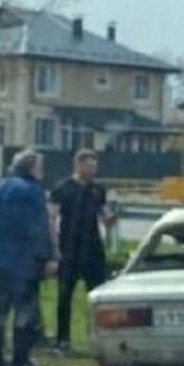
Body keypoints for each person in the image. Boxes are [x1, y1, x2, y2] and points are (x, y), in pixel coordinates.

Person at [0, 149, 56, 366]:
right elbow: (37, 227)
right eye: (40, 166)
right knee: (25, 313)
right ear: (32, 168)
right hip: (22, 261)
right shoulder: (33, 192)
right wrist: (48, 257)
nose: (42, 171)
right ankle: (20, 361)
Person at [49, 149, 117, 352]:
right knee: (65, 294)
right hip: (69, 247)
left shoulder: (97, 190)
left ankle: (99, 337)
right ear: (78, 165)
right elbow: (52, 217)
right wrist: (54, 246)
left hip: (92, 247)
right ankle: (62, 338)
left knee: (97, 294)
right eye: (89, 165)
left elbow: (105, 216)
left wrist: (110, 219)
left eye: (95, 165)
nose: (93, 170)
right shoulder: (63, 188)